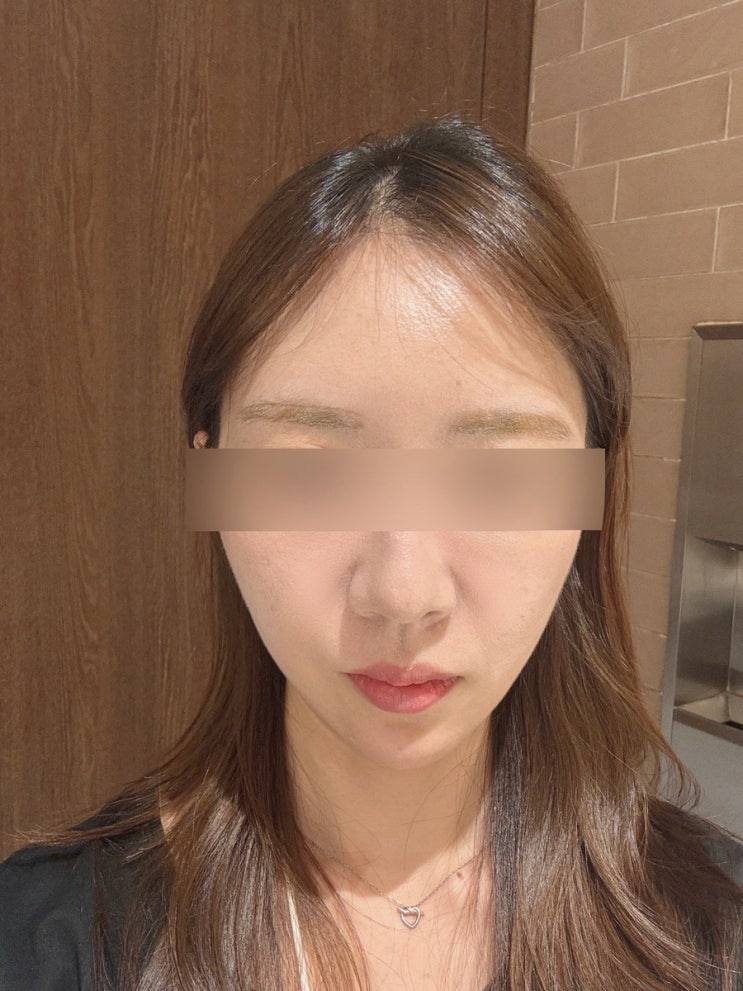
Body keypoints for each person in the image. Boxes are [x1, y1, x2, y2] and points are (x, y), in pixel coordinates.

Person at [1, 114, 742, 991]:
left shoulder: (712, 928)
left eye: (498, 475)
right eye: (311, 471)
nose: (403, 592)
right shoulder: (41, 943)